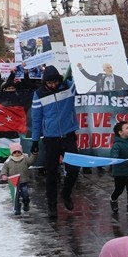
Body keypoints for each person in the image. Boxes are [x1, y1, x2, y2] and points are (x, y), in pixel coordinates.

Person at [31, 64, 81, 217]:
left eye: (55, 82)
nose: (53, 85)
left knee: (74, 169)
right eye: (49, 83)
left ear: (59, 80)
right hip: (51, 139)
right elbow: (36, 119)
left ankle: (66, 193)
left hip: (68, 136)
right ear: (45, 82)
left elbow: (82, 84)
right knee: (51, 174)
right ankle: (51, 205)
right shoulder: (38, 94)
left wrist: (78, 66)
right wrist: (35, 141)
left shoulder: (68, 87)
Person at [109, 120, 128, 217]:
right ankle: (113, 199)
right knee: (119, 189)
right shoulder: (117, 145)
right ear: (120, 132)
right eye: (126, 128)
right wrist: (116, 159)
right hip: (120, 173)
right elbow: (114, 156)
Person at [0, 140, 37, 215]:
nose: (17, 154)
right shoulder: (8, 161)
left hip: (23, 181)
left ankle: (26, 203)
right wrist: (4, 175)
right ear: (12, 153)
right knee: (16, 196)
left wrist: (34, 154)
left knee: (25, 194)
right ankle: (17, 208)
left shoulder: (24, 158)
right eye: (15, 152)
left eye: (19, 152)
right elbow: (4, 169)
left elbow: (31, 161)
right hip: (14, 182)